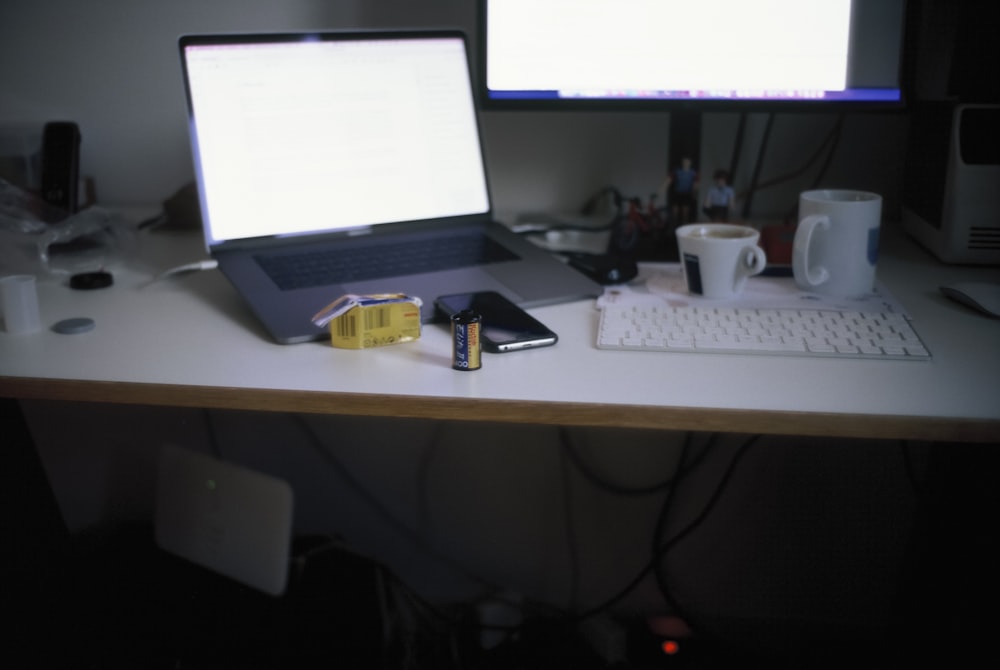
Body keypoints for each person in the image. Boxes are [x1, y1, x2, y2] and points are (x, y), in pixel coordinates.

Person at [665, 157, 698, 224]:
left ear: (690, 163)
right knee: (675, 210)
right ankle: (674, 224)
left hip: (687, 193)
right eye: (684, 161)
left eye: (687, 161)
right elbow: (668, 180)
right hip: (677, 193)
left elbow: (696, 184)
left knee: (685, 211)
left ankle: (684, 224)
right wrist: (661, 189)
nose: (685, 163)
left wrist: (694, 193)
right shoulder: (677, 171)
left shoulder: (693, 173)